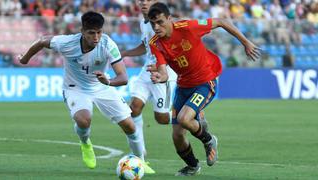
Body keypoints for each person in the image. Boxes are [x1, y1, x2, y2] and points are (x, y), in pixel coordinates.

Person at [18, 11, 154, 173]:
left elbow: (123, 77)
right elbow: (41, 41)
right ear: (82, 31)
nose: (96, 37)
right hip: (75, 88)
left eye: (99, 32)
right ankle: (85, 143)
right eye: (91, 33)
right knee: (84, 120)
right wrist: (25, 59)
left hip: (102, 87)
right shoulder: (67, 43)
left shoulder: (107, 45)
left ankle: (141, 161)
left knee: (130, 126)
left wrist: (108, 81)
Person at [147, 2, 261, 176]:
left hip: (205, 81)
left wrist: (245, 42)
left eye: (160, 22)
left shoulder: (188, 27)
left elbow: (221, 21)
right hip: (183, 85)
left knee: (185, 119)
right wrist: (160, 77)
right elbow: (163, 71)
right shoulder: (155, 43)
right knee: (177, 136)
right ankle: (193, 166)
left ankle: (209, 140)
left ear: (169, 18)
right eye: (152, 23)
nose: (156, 27)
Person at [120, 0, 177, 172]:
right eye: (140, 0)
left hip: (164, 72)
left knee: (162, 119)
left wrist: (163, 65)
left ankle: (186, 113)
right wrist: (125, 53)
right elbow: (146, 47)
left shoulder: (163, 23)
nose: (143, 2)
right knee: (134, 108)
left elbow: (174, 47)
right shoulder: (143, 21)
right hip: (147, 70)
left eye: (147, 0)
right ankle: (139, 154)